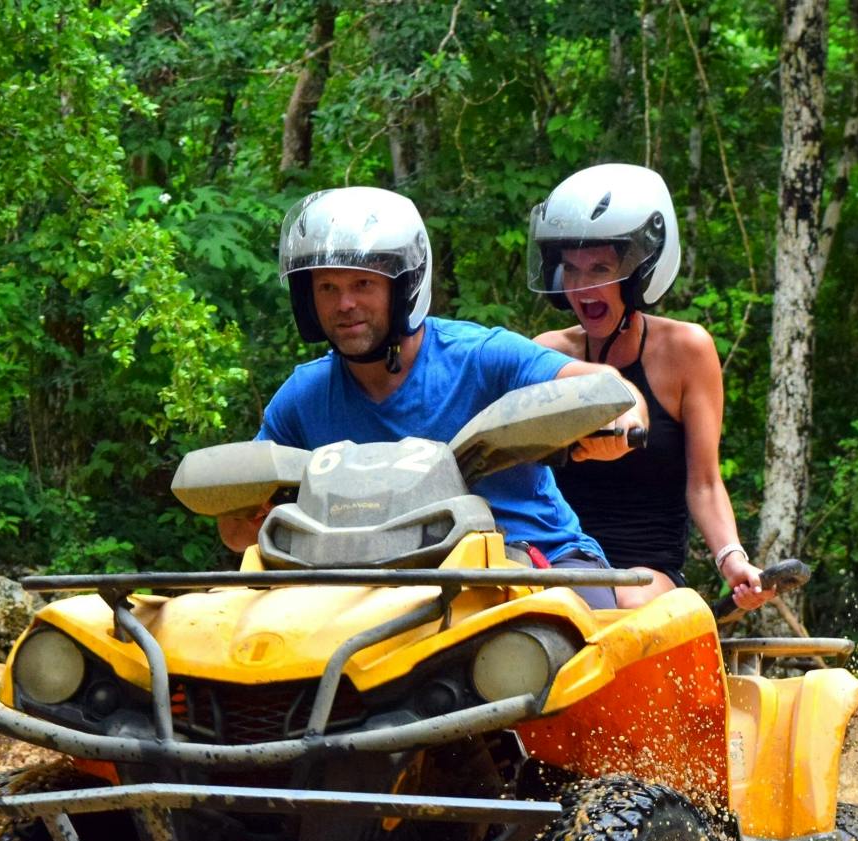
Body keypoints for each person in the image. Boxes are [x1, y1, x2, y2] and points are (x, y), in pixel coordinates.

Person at [227, 186, 648, 608]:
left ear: (404, 287)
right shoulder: (303, 397)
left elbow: (606, 383)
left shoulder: (481, 356)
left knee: (582, 639)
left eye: (362, 283)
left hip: (530, 563)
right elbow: (236, 530)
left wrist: (618, 422)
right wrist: (245, 511)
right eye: (327, 288)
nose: (345, 303)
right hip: (365, 584)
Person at [528, 163, 773, 613]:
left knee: (605, 604)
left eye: (600, 268)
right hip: (556, 566)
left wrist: (732, 559)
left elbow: (704, 483)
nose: (583, 288)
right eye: (571, 270)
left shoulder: (686, 350)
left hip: (644, 576)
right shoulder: (546, 353)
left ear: (640, 273)